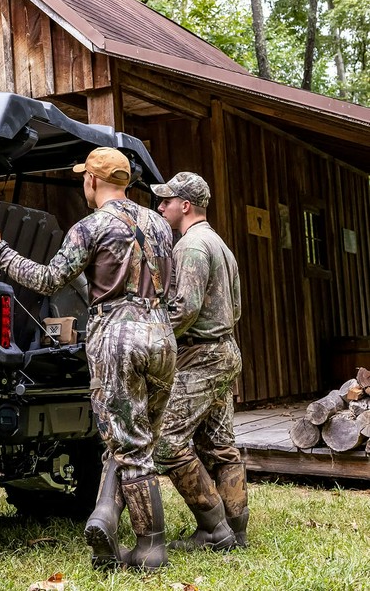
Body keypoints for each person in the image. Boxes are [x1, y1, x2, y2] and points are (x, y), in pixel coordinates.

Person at [0, 147, 176, 570]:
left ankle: (150, 548)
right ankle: (105, 518)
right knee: (141, 442)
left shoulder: (90, 227)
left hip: (117, 338)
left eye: (85, 176)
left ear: (92, 181)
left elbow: (47, 281)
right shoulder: (160, 223)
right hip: (161, 335)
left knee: (128, 446)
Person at [152, 172, 247, 550]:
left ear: (185, 205)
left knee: (167, 443)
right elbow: (236, 307)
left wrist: (154, 335)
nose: (161, 207)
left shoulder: (190, 246)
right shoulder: (220, 244)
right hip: (226, 351)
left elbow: (185, 308)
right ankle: (236, 531)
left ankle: (212, 529)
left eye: (166, 201)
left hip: (201, 358)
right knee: (220, 445)